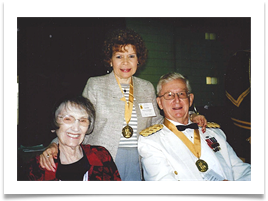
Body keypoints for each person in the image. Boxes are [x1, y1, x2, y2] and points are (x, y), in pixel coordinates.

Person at [39, 28, 207, 181]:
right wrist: (54, 144)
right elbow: (77, 122)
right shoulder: (96, 85)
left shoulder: (146, 87)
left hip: (138, 158)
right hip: (102, 158)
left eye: (131, 56)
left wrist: (190, 116)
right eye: (119, 56)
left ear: (138, 60)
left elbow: (158, 123)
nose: (125, 62)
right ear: (110, 60)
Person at [138, 72, 251, 181]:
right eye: (169, 95)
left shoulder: (214, 133)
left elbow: (242, 170)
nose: (176, 100)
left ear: (190, 99)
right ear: (160, 103)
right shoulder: (151, 142)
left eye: (181, 94)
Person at [27, 95, 121, 181]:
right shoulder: (38, 167)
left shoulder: (102, 156)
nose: (76, 128)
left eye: (83, 120)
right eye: (68, 119)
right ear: (54, 124)